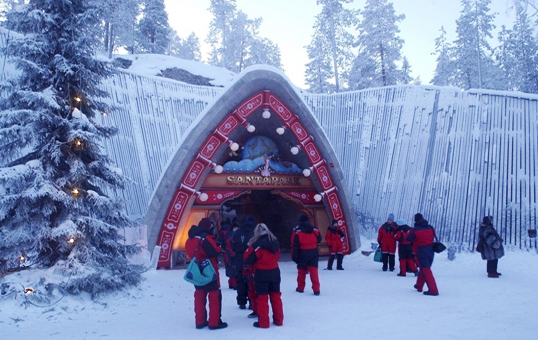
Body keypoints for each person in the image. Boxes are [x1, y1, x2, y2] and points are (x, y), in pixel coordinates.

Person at [184, 218, 228, 330]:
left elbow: (190, 253)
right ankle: (214, 322)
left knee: (199, 295)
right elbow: (213, 251)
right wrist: (219, 249)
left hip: (197, 271)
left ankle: (200, 321)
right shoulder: (205, 238)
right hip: (209, 270)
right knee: (214, 296)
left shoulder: (190, 239)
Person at [244, 223, 284, 328]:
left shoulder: (257, 244)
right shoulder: (275, 242)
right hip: (275, 271)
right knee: (276, 296)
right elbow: (278, 255)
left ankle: (264, 322)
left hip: (262, 273)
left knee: (262, 298)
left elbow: (249, 259)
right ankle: (279, 320)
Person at [407, 213, 439, 296]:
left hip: (421, 250)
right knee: (424, 268)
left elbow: (408, 238)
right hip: (431, 250)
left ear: (415, 220)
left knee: (426, 269)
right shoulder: (431, 228)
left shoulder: (415, 230)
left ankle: (433, 290)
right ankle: (419, 286)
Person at [292, 214, 322, 295]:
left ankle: (300, 288)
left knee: (301, 272)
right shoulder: (314, 229)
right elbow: (319, 239)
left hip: (302, 253)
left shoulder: (297, 231)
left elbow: (295, 245)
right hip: (313, 252)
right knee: (314, 272)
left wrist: (294, 256)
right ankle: (316, 289)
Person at [232, 215, 257, 309]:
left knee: (240, 280)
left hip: (239, 258)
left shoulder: (237, 232)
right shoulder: (255, 232)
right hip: (251, 258)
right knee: (251, 280)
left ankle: (241, 301)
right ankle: (252, 301)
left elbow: (233, 245)